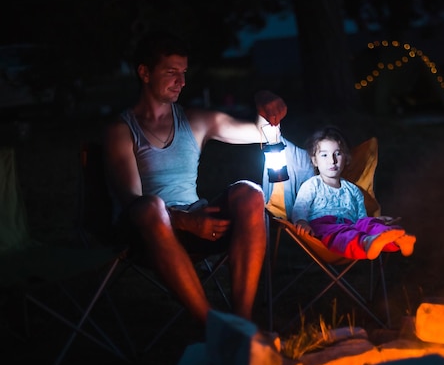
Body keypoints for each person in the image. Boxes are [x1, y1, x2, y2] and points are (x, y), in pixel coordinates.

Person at [103, 31, 287, 325]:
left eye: (184, 72)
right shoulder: (121, 130)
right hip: (147, 235)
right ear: (145, 73)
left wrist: (263, 97)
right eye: (172, 72)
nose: (182, 82)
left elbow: (261, 131)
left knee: (249, 192)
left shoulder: (195, 121)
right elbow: (132, 203)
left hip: (197, 223)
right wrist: (185, 220)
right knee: (151, 207)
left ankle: (242, 324)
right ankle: (212, 327)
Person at [292, 126, 416, 260]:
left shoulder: (353, 190)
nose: (332, 160)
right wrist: (301, 221)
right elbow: (300, 207)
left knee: (368, 224)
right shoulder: (312, 185)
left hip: (350, 224)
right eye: (324, 155)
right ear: (314, 160)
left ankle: (396, 238)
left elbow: (361, 219)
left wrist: (376, 220)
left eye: (338, 154)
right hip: (324, 229)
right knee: (345, 233)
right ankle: (368, 242)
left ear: (346, 157)